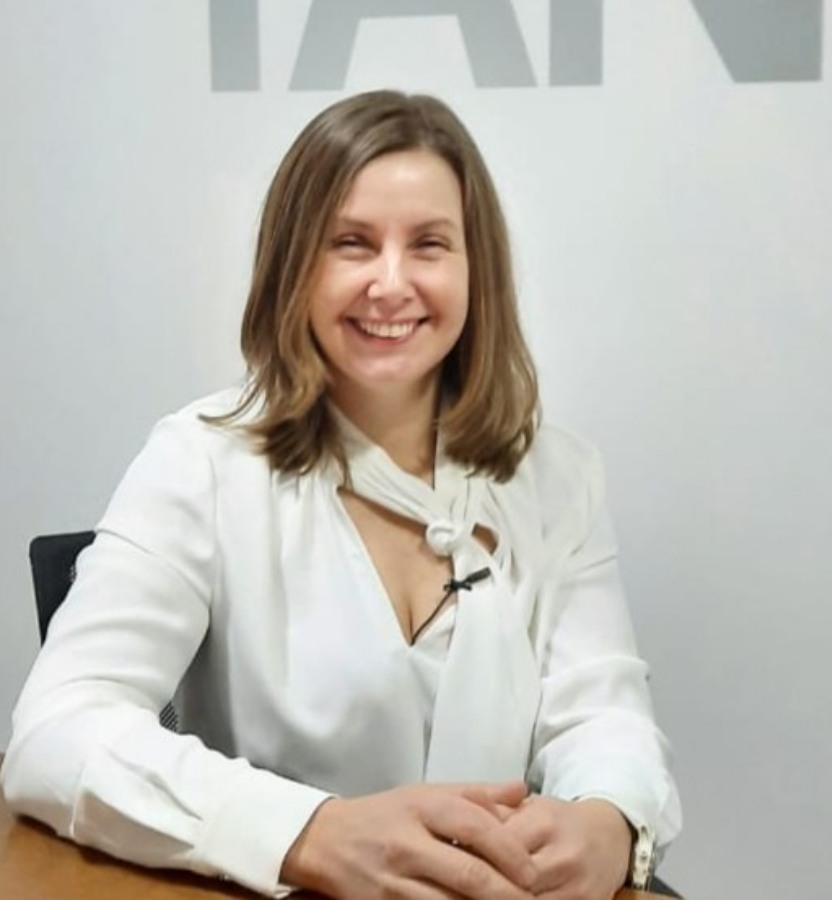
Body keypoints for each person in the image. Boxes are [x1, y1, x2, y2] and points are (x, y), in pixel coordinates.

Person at [1, 91, 681, 899]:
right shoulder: (199, 460)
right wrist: (311, 833)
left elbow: (605, 717)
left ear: (476, 270)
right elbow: (56, 730)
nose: (390, 285)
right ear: (295, 265)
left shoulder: (558, 477)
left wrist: (609, 817)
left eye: (429, 244)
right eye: (351, 244)